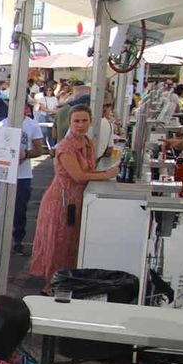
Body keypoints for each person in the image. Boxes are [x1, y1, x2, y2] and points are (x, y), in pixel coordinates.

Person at [28, 104, 117, 286]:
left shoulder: (88, 143)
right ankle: (51, 286)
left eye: (84, 121)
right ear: (69, 122)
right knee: (58, 246)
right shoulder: (65, 148)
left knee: (72, 244)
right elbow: (78, 176)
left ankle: (66, 283)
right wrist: (106, 175)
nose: (80, 125)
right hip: (61, 202)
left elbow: (88, 170)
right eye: (76, 121)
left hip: (78, 201)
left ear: (91, 122)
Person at [0, 103, 48, 254]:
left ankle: (18, 239)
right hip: (4, 173)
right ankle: (0, 240)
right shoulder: (2, 124)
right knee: (1, 208)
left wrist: (25, 154)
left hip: (23, 175)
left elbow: (39, 149)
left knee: (20, 209)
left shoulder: (32, 125)